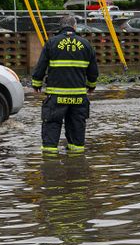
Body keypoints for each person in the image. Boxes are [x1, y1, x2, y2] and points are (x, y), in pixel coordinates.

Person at [30, 14, 99, 155]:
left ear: (61, 27)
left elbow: (41, 66)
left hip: (56, 97)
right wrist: (91, 86)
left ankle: (49, 167)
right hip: (78, 97)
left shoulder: (52, 43)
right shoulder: (86, 45)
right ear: (74, 27)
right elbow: (93, 71)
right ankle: (77, 167)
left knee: (51, 129)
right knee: (77, 135)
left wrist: (36, 84)